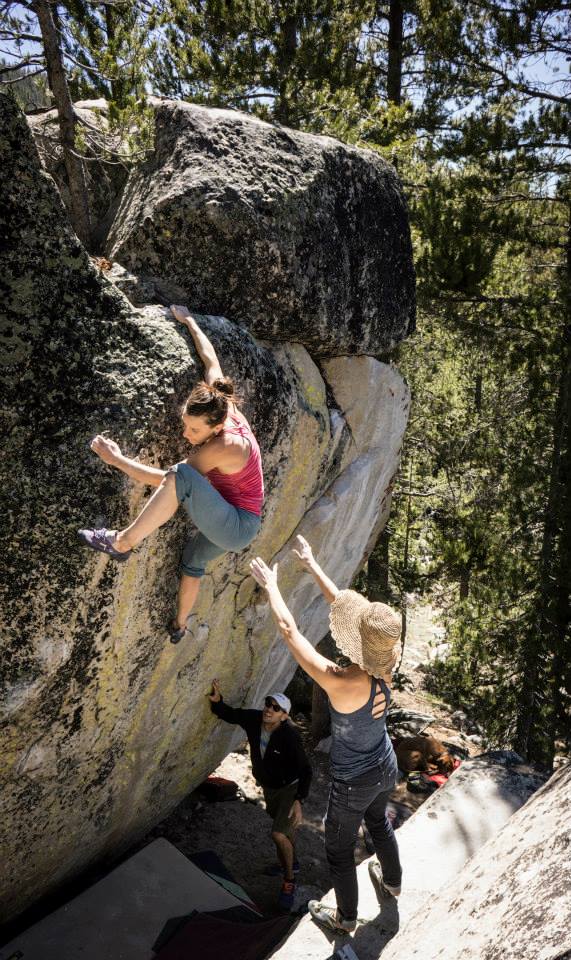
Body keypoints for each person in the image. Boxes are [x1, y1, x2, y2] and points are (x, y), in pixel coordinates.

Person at [78, 305, 264, 643]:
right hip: (242, 523)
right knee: (192, 561)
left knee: (181, 474)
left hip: (237, 524)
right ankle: (180, 626)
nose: (186, 435)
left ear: (216, 426)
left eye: (193, 430)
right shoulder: (223, 404)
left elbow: (172, 481)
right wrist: (190, 321)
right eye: (186, 425)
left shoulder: (226, 445)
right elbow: (211, 362)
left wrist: (117, 459)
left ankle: (122, 542)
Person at [250, 535, 402, 935]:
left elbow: (289, 630)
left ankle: (345, 918)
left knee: (338, 850)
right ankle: (393, 883)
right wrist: (312, 563)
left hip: (354, 781)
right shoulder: (388, 663)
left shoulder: (341, 682)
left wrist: (272, 587)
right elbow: (351, 613)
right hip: (386, 764)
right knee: (379, 823)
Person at [208, 679, 312, 912]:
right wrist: (217, 702)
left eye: (276, 708)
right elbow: (231, 714)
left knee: (278, 833)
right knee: (285, 830)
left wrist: (299, 800)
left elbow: (306, 769)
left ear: (284, 716)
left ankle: (289, 882)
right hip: (270, 788)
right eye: (268, 704)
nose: (269, 709)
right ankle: (291, 863)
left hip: (289, 788)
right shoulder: (255, 720)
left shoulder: (289, 736)